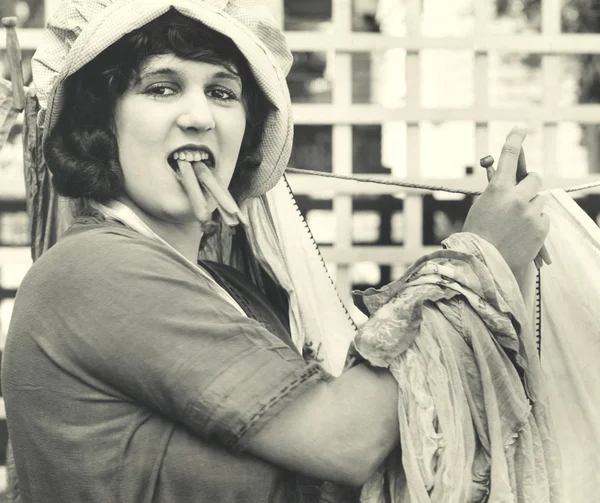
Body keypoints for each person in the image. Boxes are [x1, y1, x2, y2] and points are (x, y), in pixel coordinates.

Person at [0, 1, 551, 502]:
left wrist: (505, 259)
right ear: (102, 126)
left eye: (222, 92)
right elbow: (345, 440)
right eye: (161, 88)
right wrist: (476, 260)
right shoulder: (96, 271)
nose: (199, 117)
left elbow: (381, 431)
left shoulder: (232, 288)